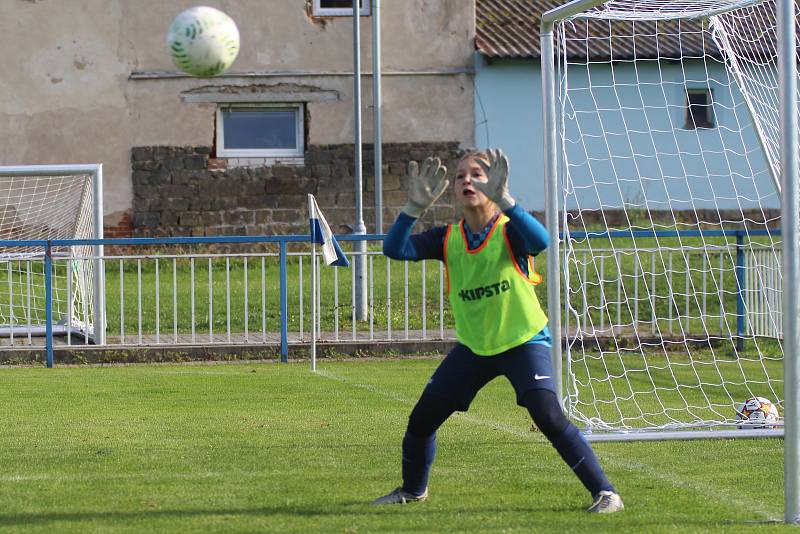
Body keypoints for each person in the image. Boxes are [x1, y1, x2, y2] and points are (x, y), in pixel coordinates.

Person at [372, 149, 623, 513]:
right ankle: (412, 491)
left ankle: (606, 493)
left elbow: (540, 241)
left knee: (547, 414)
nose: (466, 181)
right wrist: (412, 208)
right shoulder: (447, 238)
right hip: (475, 348)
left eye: (476, 174)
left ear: (495, 182)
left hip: (524, 341)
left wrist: (508, 201)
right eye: (460, 176)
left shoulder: (509, 230)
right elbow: (395, 250)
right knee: (422, 420)